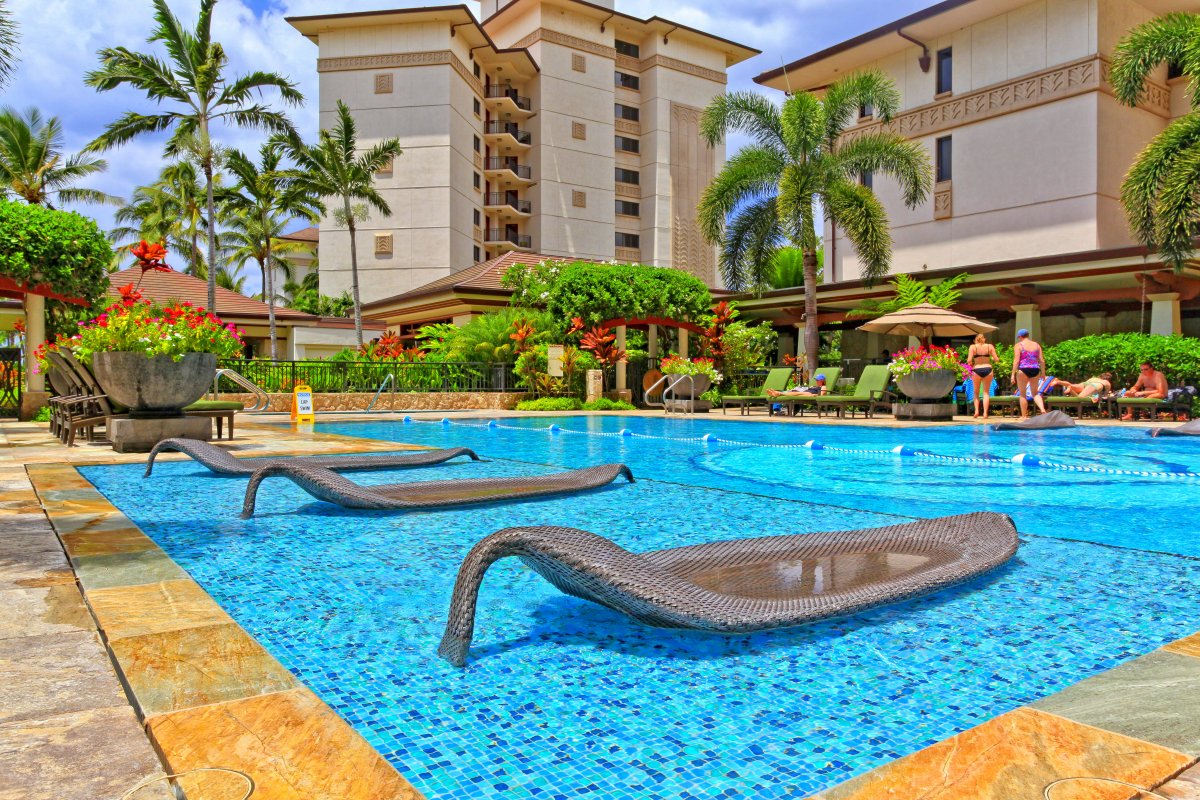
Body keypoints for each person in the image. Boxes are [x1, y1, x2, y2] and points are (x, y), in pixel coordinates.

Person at [1010, 328, 1046, 419]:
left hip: (1023, 369)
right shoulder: (1036, 345)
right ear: (1028, 335)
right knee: (1035, 393)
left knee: (1022, 394)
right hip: (1035, 369)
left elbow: (1016, 361)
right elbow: (1041, 360)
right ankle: (1042, 409)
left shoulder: (1019, 345)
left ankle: (1024, 415)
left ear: (1020, 336)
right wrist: (1043, 373)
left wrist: (1013, 374)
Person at [966, 333, 999, 419]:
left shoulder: (973, 347)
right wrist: (991, 358)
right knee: (986, 393)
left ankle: (977, 411)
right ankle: (985, 413)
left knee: (976, 392)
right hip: (988, 369)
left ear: (976, 340)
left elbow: (969, 360)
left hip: (977, 369)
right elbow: (997, 359)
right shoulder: (989, 346)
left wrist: (972, 363)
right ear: (984, 339)